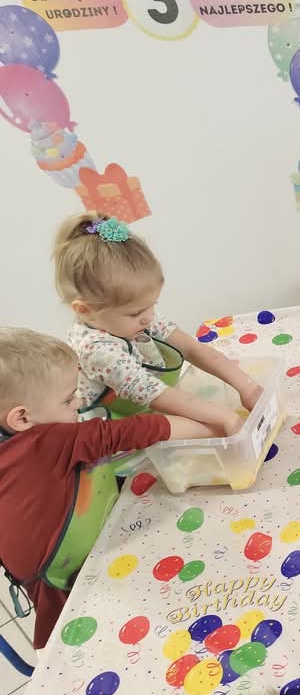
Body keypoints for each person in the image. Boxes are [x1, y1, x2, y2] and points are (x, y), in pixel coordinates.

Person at [0, 327, 217, 647]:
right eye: (68, 399)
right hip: (70, 589)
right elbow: (139, 430)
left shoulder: (13, 442)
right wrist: (222, 425)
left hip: (66, 568)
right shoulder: (43, 442)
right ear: (21, 418)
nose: (79, 402)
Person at [54, 214, 258, 435]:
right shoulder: (96, 350)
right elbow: (155, 394)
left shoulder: (138, 317)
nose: (149, 317)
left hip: (148, 405)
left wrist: (247, 386)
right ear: (85, 310)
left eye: (153, 305)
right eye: (136, 313)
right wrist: (225, 418)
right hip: (109, 430)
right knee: (213, 428)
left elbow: (191, 348)